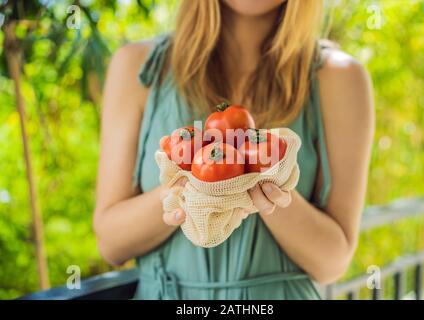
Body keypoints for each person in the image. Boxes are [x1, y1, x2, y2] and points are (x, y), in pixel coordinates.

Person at [93, 0, 375, 299]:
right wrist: (195, 189)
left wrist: (257, 182)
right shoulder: (137, 65)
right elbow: (112, 244)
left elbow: (332, 262)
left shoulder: (340, 76)